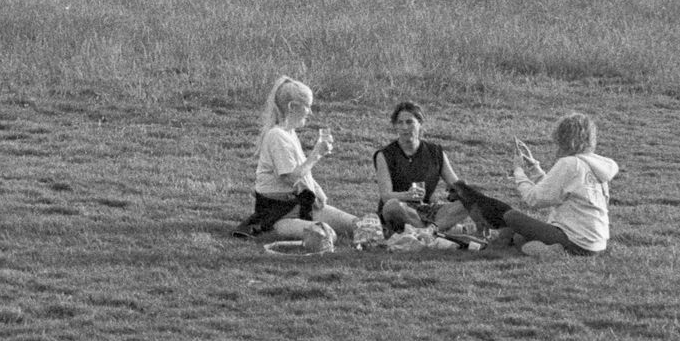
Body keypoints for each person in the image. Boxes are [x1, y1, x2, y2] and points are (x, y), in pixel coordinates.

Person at [451, 112, 619, 257]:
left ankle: (558, 252)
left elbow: (534, 199)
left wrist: (518, 171)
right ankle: (552, 250)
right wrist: (534, 168)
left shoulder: (569, 163)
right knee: (519, 237)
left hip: (575, 239)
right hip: (595, 245)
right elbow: (554, 191)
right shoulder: (592, 165)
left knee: (511, 217)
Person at [231, 76, 366, 245]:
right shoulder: (276, 136)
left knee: (361, 225)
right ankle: (276, 230)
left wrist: (316, 189)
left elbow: (301, 171)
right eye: (308, 107)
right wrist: (316, 154)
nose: (310, 112)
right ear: (292, 107)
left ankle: (390, 243)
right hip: (278, 214)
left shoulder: (290, 133)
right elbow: (290, 177)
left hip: (300, 204)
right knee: (324, 233)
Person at [372, 101, 472, 240]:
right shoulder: (385, 155)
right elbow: (386, 196)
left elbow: (455, 184)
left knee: (469, 200)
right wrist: (407, 195)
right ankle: (437, 230)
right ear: (395, 126)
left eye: (409, 122)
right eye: (400, 123)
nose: (404, 127)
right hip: (402, 209)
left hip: (428, 209)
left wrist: (465, 191)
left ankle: (428, 231)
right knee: (391, 206)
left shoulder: (435, 152)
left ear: (420, 123)